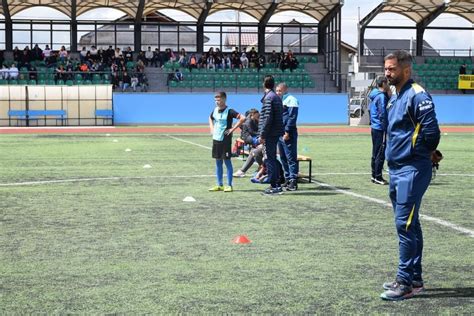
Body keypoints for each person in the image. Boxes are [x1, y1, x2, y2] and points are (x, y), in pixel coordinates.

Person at [380, 50, 441, 301]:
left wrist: (423, 154)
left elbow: (432, 132)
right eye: (386, 68)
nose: (387, 72)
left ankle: (404, 282)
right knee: (410, 224)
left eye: (392, 68)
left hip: (412, 169)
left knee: (403, 225)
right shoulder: (395, 95)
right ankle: (415, 279)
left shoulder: (417, 95)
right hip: (396, 169)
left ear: (406, 70)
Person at [208, 91, 245, 192]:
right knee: (218, 162)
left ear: (224, 99)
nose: (216, 102)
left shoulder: (230, 111)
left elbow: (243, 118)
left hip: (225, 140)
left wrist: (232, 129)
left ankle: (229, 185)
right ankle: (219, 185)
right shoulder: (215, 110)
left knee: (227, 162)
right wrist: (211, 128)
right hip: (216, 139)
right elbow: (210, 118)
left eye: (218, 99)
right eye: (215, 100)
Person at [258, 75, 284, 195]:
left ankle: (274, 185)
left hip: (270, 133)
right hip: (275, 132)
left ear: (264, 84)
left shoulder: (269, 97)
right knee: (272, 158)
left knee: (270, 159)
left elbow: (267, 118)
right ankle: (276, 184)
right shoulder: (276, 97)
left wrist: (262, 134)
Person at [276, 82, 299, 191]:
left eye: (279, 90)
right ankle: (288, 178)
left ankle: (293, 181)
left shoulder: (291, 99)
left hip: (288, 133)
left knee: (291, 157)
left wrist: (287, 132)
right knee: (283, 157)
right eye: (277, 90)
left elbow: (292, 117)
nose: (277, 92)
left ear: (285, 89)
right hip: (280, 133)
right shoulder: (279, 100)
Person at [369, 76, 389, 185]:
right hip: (380, 127)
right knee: (380, 153)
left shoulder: (375, 94)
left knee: (375, 152)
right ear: (384, 84)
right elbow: (383, 113)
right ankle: (378, 176)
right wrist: (386, 127)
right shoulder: (381, 97)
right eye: (387, 83)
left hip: (374, 127)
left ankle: (374, 175)